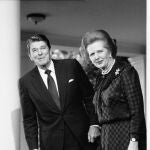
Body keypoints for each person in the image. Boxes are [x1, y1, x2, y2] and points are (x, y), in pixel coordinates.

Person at [19, 34, 100, 150]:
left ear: (49, 50)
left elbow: (90, 97)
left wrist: (94, 124)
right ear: (30, 56)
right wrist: (34, 148)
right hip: (51, 143)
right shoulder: (25, 82)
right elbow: (29, 120)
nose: (40, 53)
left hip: (83, 137)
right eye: (35, 50)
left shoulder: (71, 66)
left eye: (43, 48)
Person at [80, 29, 146, 150]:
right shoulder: (100, 77)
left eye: (100, 51)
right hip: (106, 137)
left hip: (124, 135)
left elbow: (137, 111)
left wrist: (134, 140)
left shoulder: (126, 72)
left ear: (110, 51)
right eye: (92, 54)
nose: (96, 57)